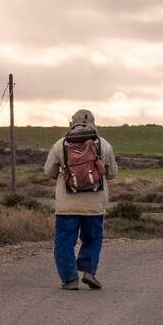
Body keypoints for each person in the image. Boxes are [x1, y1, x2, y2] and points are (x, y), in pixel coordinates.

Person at [42, 109, 119, 290]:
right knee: (93, 238)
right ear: (94, 122)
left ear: (72, 123)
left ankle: (69, 279)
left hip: (67, 205)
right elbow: (112, 174)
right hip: (94, 204)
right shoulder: (104, 145)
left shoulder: (60, 144)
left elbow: (49, 172)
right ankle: (89, 272)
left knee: (64, 242)